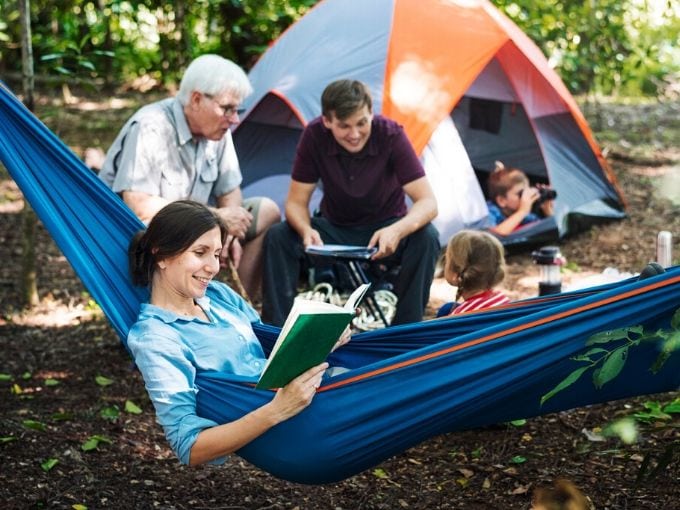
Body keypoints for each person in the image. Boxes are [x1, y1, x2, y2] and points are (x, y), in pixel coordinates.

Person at [127, 200, 350, 466]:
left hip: (315, 393)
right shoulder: (157, 338)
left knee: (396, 372)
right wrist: (277, 410)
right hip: (295, 426)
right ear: (162, 255)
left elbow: (271, 354)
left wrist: (321, 340)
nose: (213, 267)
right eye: (200, 252)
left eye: (217, 254)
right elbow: (189, 447)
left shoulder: (218, 296)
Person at [262, 79, 440, 327]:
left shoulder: (391, 135)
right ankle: (277, 330)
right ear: (327, 122)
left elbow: (428, 203)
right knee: (278, 236)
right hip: (334, 228)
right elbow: (295, 203)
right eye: (344, 126)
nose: (355, 134)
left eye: (362, 123)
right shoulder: (314, 136)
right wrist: (305, 230)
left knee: (427, 236)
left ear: (371, 113)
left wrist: (397, 230)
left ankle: (405, 329)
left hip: (386, 228)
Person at [100, 54, 280, 299]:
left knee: (267, 210)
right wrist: (217, 217)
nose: (235, 118)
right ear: (196, 99)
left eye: (238, 110)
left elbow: (230, 190)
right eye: (227, 108)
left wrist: (230, 232)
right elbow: (138, 204)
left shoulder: (218, 131)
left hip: (199, 230)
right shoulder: (151, 127)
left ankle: (239, 308)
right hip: (147, 236)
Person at [443, 230, 509, 315]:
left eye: (446, 259)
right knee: (448, 308)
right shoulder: (502, 299)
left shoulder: (458, 317)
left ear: (456, 274)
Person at [486, 162, 554, 236]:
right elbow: (492, 236)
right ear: (502, 201)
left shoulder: (527, 215)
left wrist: (548, 212)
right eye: (521, 194)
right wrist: (522, 211)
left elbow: (544, 231)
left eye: (527, 191)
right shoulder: (489, 212)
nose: (526, 197)